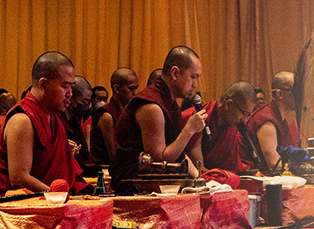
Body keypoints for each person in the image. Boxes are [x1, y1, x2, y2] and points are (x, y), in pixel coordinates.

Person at [110, 46, 206, 193]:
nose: (195, 84)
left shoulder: (171, 104)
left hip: (156, 183)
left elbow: (177, 152)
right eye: (193, 77)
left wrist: (200, 179)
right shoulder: (152, 106)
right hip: (134, 186)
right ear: (175, 73)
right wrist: (189, 130)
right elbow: (159, 161)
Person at [0, 52, 91, 195]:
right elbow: (19, 178)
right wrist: (58, 195)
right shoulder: (22, 120)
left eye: (71, 87)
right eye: (65, 86)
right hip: (25, 204)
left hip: (54, 200)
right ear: (43, 84)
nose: (70, 93)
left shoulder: (52, 117)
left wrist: (64, 152)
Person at [182, 81, 257, 173]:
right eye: (244, 113)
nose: (244, 119)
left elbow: (234, 167)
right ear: (228, 104)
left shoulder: (230, 126)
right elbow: (199, 170)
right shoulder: (196, 119)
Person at [246, 71, 302, 172]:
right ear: (280, 94)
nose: (300, 96)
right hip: (256, 177)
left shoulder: (281, 119)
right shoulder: (267, 120)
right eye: (295, 91)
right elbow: (274, 163)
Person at [89, 68, 138, 165]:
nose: (136, 93)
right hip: (105, 170)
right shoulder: (107, 116)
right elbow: (114, 156)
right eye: (131, 88)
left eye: (136, 88)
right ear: (117, 89)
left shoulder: (128, 112)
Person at [65, 76, 93, 169]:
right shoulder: (57, 119)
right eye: (85, 101)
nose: (88, 106)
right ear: (71, 96)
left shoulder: (75, 121)